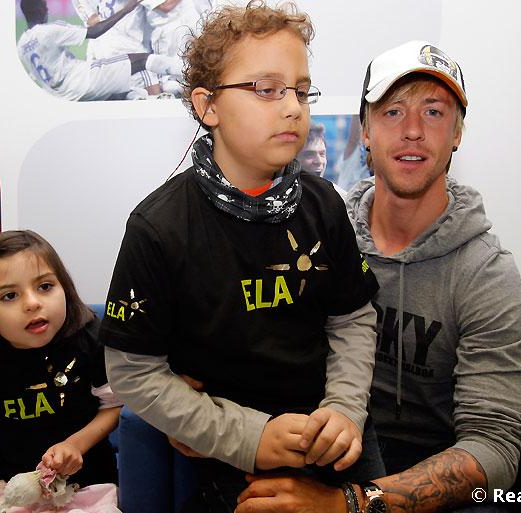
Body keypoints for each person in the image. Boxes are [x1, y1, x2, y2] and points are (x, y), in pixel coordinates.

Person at [99, 2, 382, 510]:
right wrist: (248, 436)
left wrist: (344, 410)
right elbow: (133, 371)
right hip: (226, 451)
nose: (292, 107)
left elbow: (353, 318)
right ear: (208, 106)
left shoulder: (324, 204)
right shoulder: (158, 228)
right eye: (267, 89)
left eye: (300, 90)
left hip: (334, 440)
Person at [235, 41, 521, 513]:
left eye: (433, 112)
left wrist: (351, 504)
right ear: (366, 132)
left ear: (457, 133)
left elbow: (494, 448)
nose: (413, 131)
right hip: (319, 448)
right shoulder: (316, 237)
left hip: (434, 474)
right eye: (393, 112)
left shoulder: (486, 273)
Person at [0, 230, 121, 489]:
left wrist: (74, 445)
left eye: (45, 287)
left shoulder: (89, 338)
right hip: (11, 485)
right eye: (9, 296)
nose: (32, 303)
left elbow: (113, 407)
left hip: (88, 484)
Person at [18, 0, 182, 101]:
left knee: (119, 93)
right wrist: (127, 9)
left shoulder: (21, 45)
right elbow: (94, 30)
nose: (47, 9)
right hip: (84, 78)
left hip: (62, 95)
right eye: (45, 6)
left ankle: (145, 97)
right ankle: (185, 70)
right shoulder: (48, 31)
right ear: (42, 9)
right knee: (143, 61)